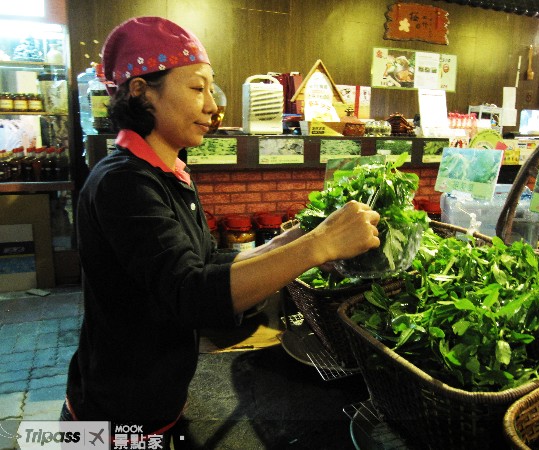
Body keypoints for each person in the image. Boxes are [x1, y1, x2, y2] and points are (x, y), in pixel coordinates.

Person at [62, 16, 380, 448]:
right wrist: (320, 245)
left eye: (212, 89)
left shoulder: (170, 170)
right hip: (116, 415)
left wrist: (283, 243)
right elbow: (192, 294)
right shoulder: (124, 182)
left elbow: (207, 264)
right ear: (141, 90)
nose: (212, 105)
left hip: (160, 397)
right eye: (197, 88)